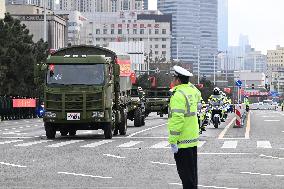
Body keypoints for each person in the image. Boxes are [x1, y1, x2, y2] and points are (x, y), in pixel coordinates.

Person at [168, 65, 201, 189]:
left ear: (178, 80)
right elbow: (198, 96)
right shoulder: (192, 91)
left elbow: (177, 119)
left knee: (185, 176)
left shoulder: (178, 95)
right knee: (192, 174)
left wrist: (173, 141)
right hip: (192, 139)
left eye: (173, 78)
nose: (172, 81)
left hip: (182, 141)